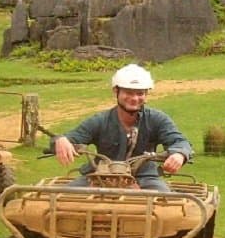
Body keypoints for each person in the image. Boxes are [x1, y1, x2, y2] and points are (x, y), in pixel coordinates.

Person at [51, 64, 192, 192]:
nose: (134, 98)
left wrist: (179, 154)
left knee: (165, 205)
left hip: (144, 178)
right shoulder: (100, 121)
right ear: (116, 91)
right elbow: (69, 138)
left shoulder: (157, 119)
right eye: (128, 92)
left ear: (146, 94)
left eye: (140, 93)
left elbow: (180, 142)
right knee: (61, 198)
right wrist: (60, 140)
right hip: (99, 176)